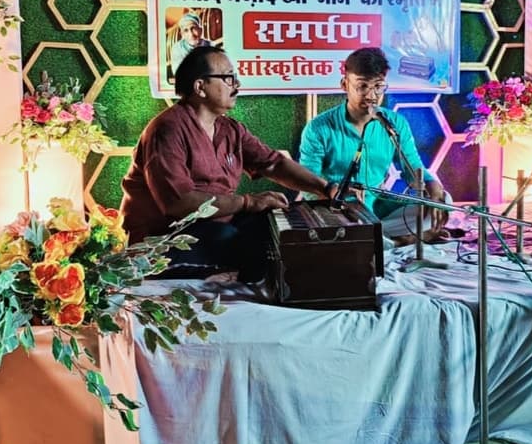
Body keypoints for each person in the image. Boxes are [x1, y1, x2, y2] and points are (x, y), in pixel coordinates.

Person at [121, 44, 335, 280]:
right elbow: (179, 203)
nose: (237, 85)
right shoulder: (167, 130)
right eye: (228, 78)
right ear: (200, 87)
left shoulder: (230, 129)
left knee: (277, 224)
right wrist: (247, 202)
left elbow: (273, 163)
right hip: (164, 241)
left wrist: (325, 188)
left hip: (216, 227)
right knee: (240, 245)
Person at [299, 47, 449, 245]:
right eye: (362, 86)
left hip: (377, 206)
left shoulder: (395, 123)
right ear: (344, 85)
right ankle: (396, 240)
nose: (371, 95)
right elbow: (307, 184)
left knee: (444, 200)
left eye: (378, 86)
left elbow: (414, 169)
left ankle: (378, 238)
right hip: (336, 210)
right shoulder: (318, 128)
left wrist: (434, 192)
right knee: (342, 232)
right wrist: (336, 194)